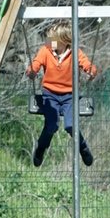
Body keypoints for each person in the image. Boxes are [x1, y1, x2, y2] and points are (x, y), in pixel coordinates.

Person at [25, 20, 98, 167]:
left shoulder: (75, 52)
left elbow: (87, 65)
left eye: (54, 38)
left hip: (70, 96)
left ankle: (83, 147)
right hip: (50, 94)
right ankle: (41, 148)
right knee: (52, 125)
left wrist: (91, 71)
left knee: (70, 126)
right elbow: (36, 63)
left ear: (64, 41)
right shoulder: (46, 50)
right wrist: (32, 71)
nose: (50, 40)